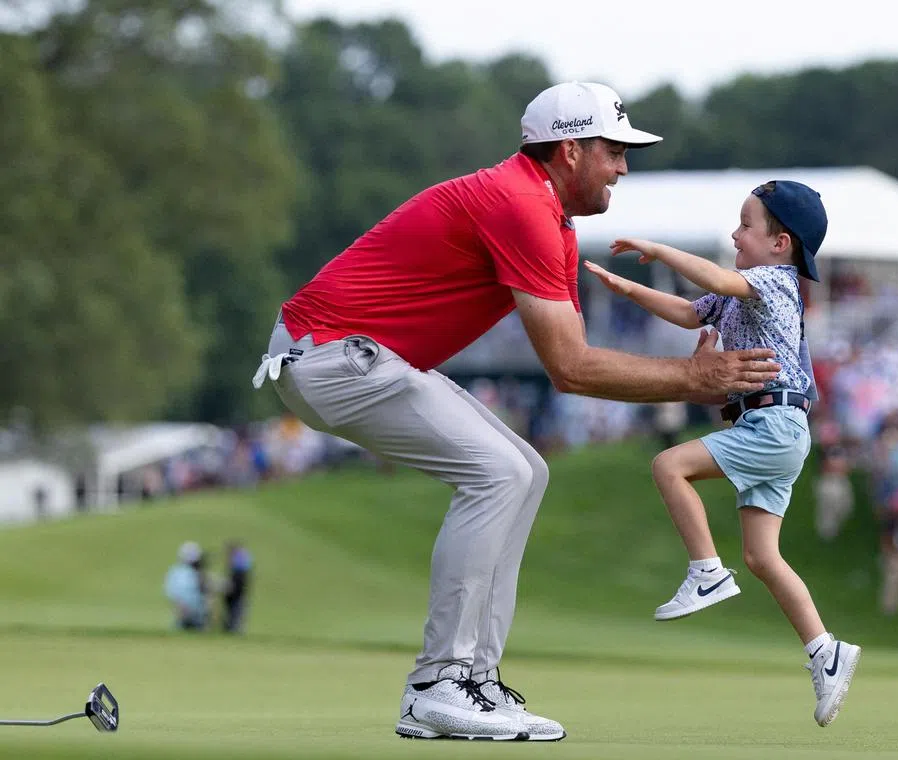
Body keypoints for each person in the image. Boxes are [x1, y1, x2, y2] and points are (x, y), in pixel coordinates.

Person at [251, 81, 782, 742]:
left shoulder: (549, 222)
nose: (622, 166)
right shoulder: (520, 205)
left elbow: (579, 358)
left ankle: (474, 682)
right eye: (613, 150)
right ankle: (437, 684)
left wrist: (696, 377)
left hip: (354, 357)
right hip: (327, 355)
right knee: (498, 474)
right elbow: (570, 369)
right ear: (569, 151)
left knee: (525, 470)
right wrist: (693, 379)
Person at [585, 180, 861, 728]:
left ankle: (707, 571)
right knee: (762, 557)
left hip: (774, 422)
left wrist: (661, 250)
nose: (735, 233)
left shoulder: (775, 282)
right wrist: (629, 288)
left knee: (669, 464)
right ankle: (824, 651)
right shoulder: (739, 293)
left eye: (745, 225)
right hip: (774, 425)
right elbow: (691, 312)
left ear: (780, 243)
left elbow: (712, 278)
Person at [164, 541, 210, 631]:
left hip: (199, 612)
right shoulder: (180, 572)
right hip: (185, 611)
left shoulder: (196, 572)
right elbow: (175, 592)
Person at [221, 541, 253, 634]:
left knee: (234, 625)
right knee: (232, 623)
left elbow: (234, 586)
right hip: (235, 598)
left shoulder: (239, 564)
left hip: (237, 599)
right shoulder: (239, 563)